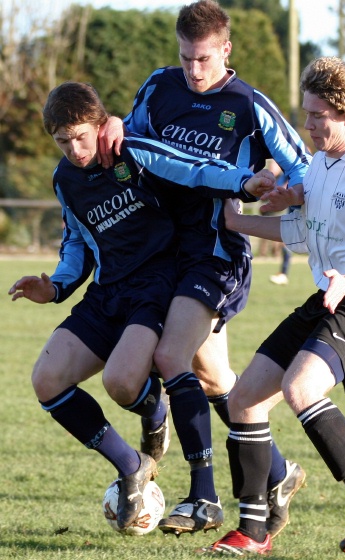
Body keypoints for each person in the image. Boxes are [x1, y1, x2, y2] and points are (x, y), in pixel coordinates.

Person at [8, 81, 276, 530]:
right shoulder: (64, 179)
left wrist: (244, 184)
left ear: (99, 125)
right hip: (107, 290)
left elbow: (195, 169)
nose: (74, 149)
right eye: (62, 141)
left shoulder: (133, 151)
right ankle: (132, 464)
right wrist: (54, 286)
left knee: (124, 382)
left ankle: (160, 415)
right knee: (46, 380)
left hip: (157, 284)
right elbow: (78, 240)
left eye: (81, 137)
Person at [99, 0, 311, 538]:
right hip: (163, 250)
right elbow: (135, 145)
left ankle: (203, 497)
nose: (194, 71)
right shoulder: (158, 86)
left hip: (217, 253)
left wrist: (285, 193)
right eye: (186, 58)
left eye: (205, 59)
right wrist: (117, 125)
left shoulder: (249, 105)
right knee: (214, 378)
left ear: (226, 50)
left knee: (171, 357)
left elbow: (306, 170)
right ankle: (280, 475)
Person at [199, 57, 345, 556]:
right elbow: (301, 233)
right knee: (244, 399)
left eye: (317, 115)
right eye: (305, 113)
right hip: (328, 295)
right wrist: (239, 224)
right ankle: (254, 531)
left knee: (300, 388)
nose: (307, 125)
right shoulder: (320, 165)